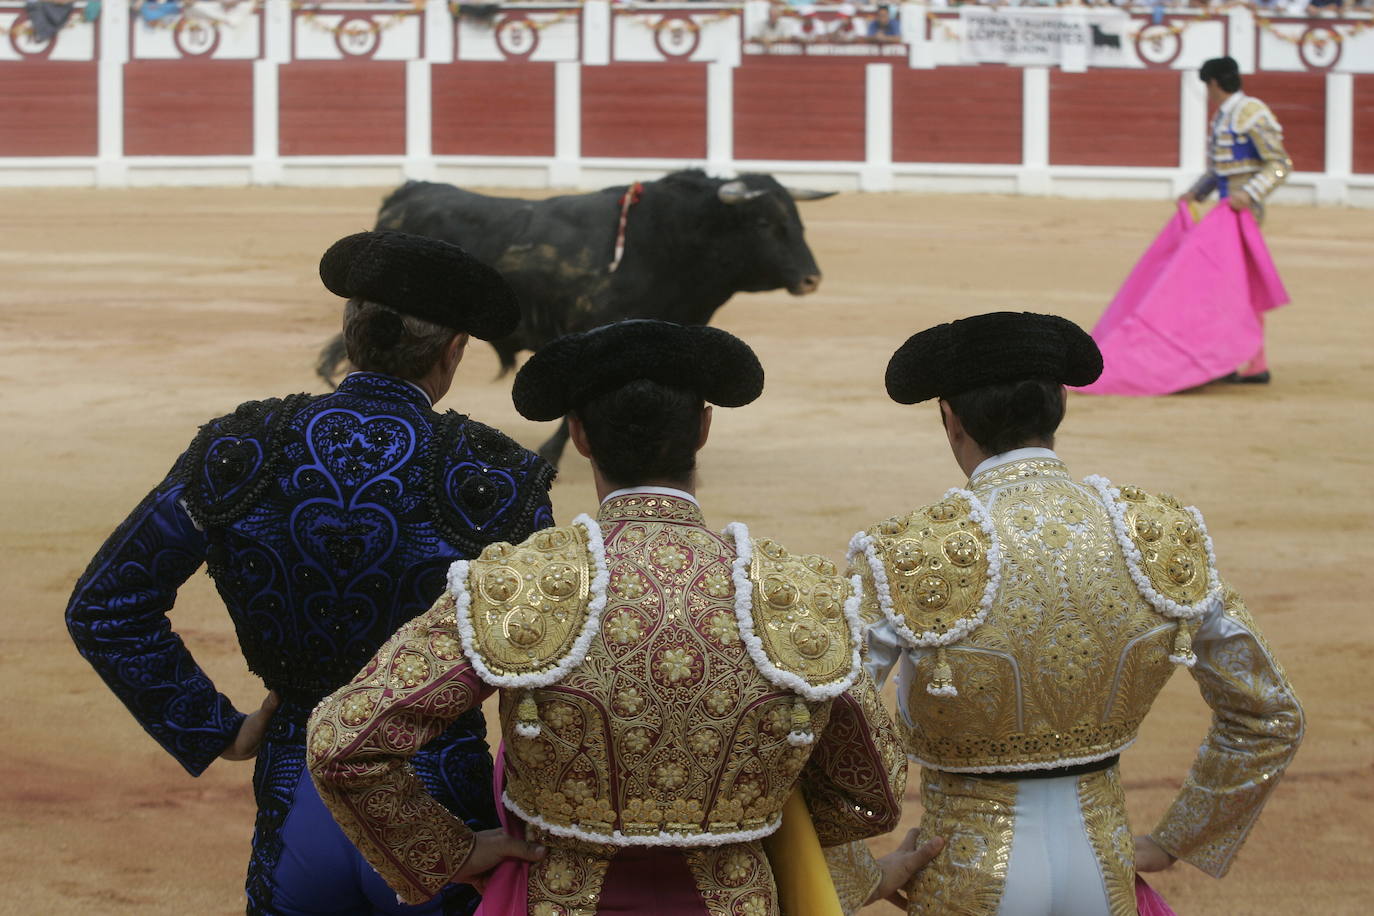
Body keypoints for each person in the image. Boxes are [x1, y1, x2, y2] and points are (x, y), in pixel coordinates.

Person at [308, 320, 938, 915]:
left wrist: (451, 851)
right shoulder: (796, 594)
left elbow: (344, 743)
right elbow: (874, 791)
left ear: (579, 434)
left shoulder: (519, 586)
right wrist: (755, 810)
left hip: (561, 893)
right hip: (733, 896)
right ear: (703, 430)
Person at [66, 230, 556, 915]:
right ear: (452, 352)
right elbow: (553, 663)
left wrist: (214, 727)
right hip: (439, 800)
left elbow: (106, 605)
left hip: (297, 782)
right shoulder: (497, 475)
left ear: (350, 332)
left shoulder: (240, 448)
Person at [836, 312, 1304, 915]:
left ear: (949, 421)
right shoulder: (1158, 535)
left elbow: (823, 724)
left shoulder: (904, 553)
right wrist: (1176, 838)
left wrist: (855, 872)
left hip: (963, 868)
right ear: (1061, 403)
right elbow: (1269, 715)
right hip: (1102, 861)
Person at [1180, 56, 1293, 383]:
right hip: (1224, 213)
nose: (1208, 92)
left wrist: (1252, 193)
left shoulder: (1250, 112)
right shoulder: (1225, 115)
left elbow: (1280, 163)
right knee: (1223, 286)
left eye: (1207, 86)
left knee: (1240, 288)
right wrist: (1196, 193)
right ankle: (1231, 358)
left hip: (1243, 214)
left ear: (1214, 83)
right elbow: (1221, 170)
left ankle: (1255, 363)